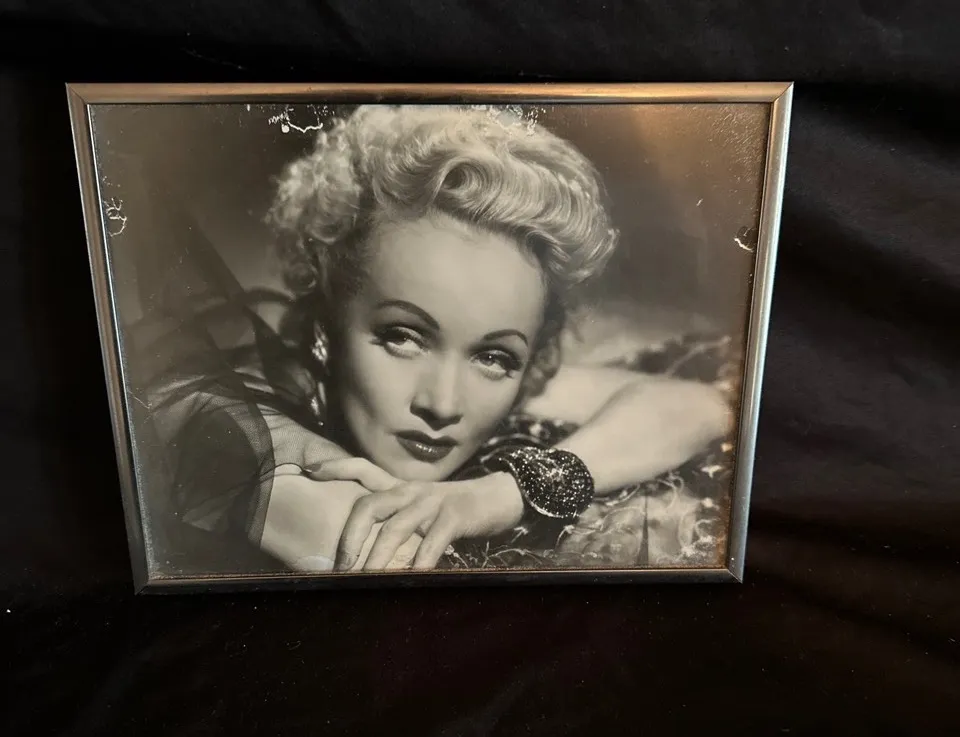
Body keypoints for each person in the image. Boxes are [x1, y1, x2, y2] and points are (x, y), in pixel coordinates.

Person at [128, 104, 732, 575]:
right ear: (326, 319)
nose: (442, 404)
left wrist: (500, 495)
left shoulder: (515, 397)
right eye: (403, 337)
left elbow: (699, 406)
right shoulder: (254, 411)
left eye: (493, 356)